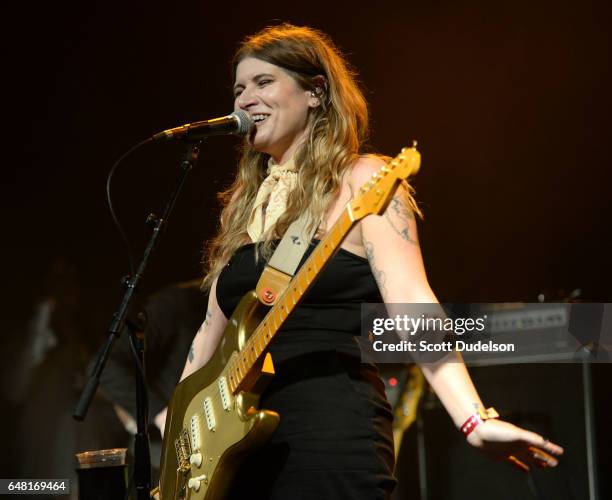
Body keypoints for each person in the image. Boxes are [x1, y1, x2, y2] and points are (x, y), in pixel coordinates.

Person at [158, 24, 563, 499]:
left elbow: (413, 304)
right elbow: (209, 336)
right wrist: (177, 459)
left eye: (264, 82)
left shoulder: (363, 180)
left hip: (327, 424)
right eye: (239, 89)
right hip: (233, 450)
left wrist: (472, 418)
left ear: (315, 92)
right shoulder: (245, 206)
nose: (244, 99)